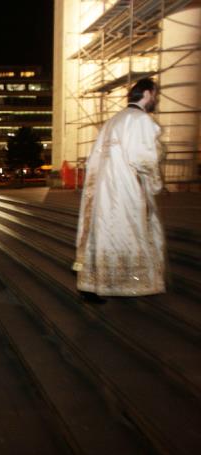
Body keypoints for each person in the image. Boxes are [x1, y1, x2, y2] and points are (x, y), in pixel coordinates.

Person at [74, 78, 166, 303]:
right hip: (126, 189)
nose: (156, 99)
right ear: (147, 93)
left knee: (104, 235)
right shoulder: (141, 120)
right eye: (155, 94)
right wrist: (156, 181)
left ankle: (93, 284)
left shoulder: (113, 121)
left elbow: (94, 159)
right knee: (129, 234)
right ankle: (128, 283)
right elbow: (143, 158)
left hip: (102, 191)